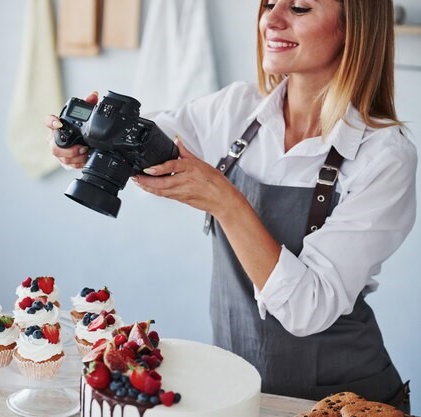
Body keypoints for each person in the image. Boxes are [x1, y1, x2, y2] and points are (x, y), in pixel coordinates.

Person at [46, 0, 415, 412]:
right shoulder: (235, 109)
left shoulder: (384, 156)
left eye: (300, 8)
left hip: (342, 400)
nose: (270, 20)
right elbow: (155, 136)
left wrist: (227, 202)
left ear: (353, 27)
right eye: (269, 3)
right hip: (239, 390)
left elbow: (307, 310)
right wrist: (92, 138)